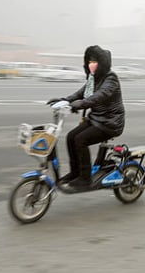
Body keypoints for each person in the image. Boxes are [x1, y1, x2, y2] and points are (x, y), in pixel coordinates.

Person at [46, 45, 125, 188]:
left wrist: (78, 105)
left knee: (80, 140)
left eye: (94, 61)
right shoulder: (93, 79)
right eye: (89, 61)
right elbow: (79, 94)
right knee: (71, 137)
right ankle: (75, 173)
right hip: (96, 120)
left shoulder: (111, 79)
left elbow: (98, 97)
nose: (91, 64)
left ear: (102, 63)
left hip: (110, 123)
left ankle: (85, 178)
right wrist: (64, 100)